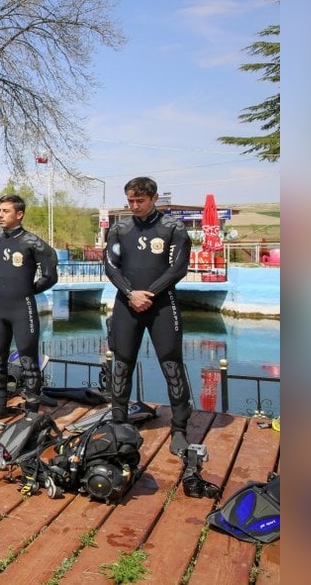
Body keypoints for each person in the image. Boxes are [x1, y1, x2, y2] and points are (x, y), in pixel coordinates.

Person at [103, 176, 193, 455]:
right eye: (130, 200)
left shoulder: (173, 228)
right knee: (122, 362)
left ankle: (179, 429)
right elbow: (111, 266)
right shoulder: (120, 229)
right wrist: (131, 293)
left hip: (162, 304)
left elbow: (177, 269)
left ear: (153, 198)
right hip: (127, 303)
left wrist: (148, 294)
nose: (134, 205)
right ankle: (119, 422)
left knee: (171, 363)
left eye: (139, 200)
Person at [0, 195, 59, 417]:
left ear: (19, 214)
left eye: (5, 211)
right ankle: (0, 405)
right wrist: (4, 285)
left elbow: (51, 275)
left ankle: (32, 412)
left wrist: (28, 289)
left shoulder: (32, 243)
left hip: (23, 308)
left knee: (28, 361)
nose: (0, 215)